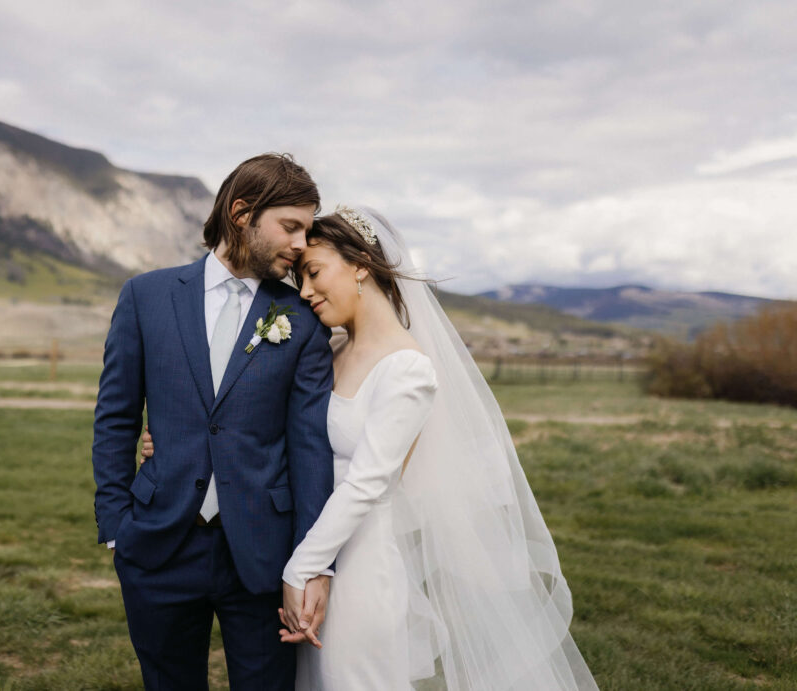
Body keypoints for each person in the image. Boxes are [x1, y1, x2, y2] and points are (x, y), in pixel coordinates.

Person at [143, 205, 598, 690]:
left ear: (360, 263)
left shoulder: (408, 370)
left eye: (315, 273)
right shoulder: (330, 350)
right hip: (303, 552)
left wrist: (304, 567)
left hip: (357, 567)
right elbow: (264, 429)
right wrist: (172, 443)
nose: (307, 292)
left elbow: (366, 482)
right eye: (300, 279)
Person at [92, 153, 336, 690]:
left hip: (264, 555)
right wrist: (116, 526)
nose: (301, 244)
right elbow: (115, 416)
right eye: (290, 227)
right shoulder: (145, 296)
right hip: (158, 544)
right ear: (242, 212)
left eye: (307, 230)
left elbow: (310, 447)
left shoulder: (301, 319)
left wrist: (311, 561)